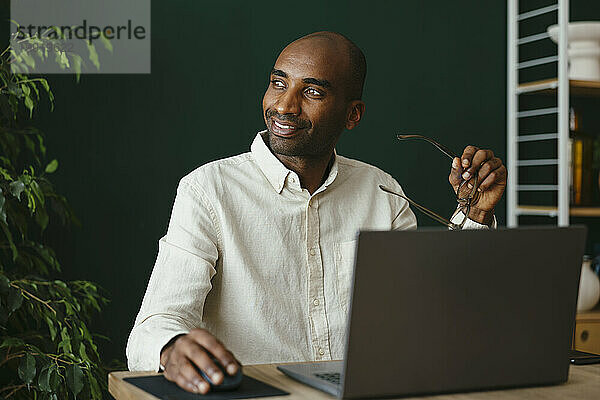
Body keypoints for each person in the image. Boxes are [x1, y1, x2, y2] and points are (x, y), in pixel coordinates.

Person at [126, 31, 507, 394]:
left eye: (311, 91)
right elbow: (155, 324)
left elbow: (433, 318)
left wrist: (473, 218)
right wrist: (171, 348)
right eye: (278, 83)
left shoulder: (383, 193)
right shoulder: (208, 190)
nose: (284, 106)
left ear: (352, 114)